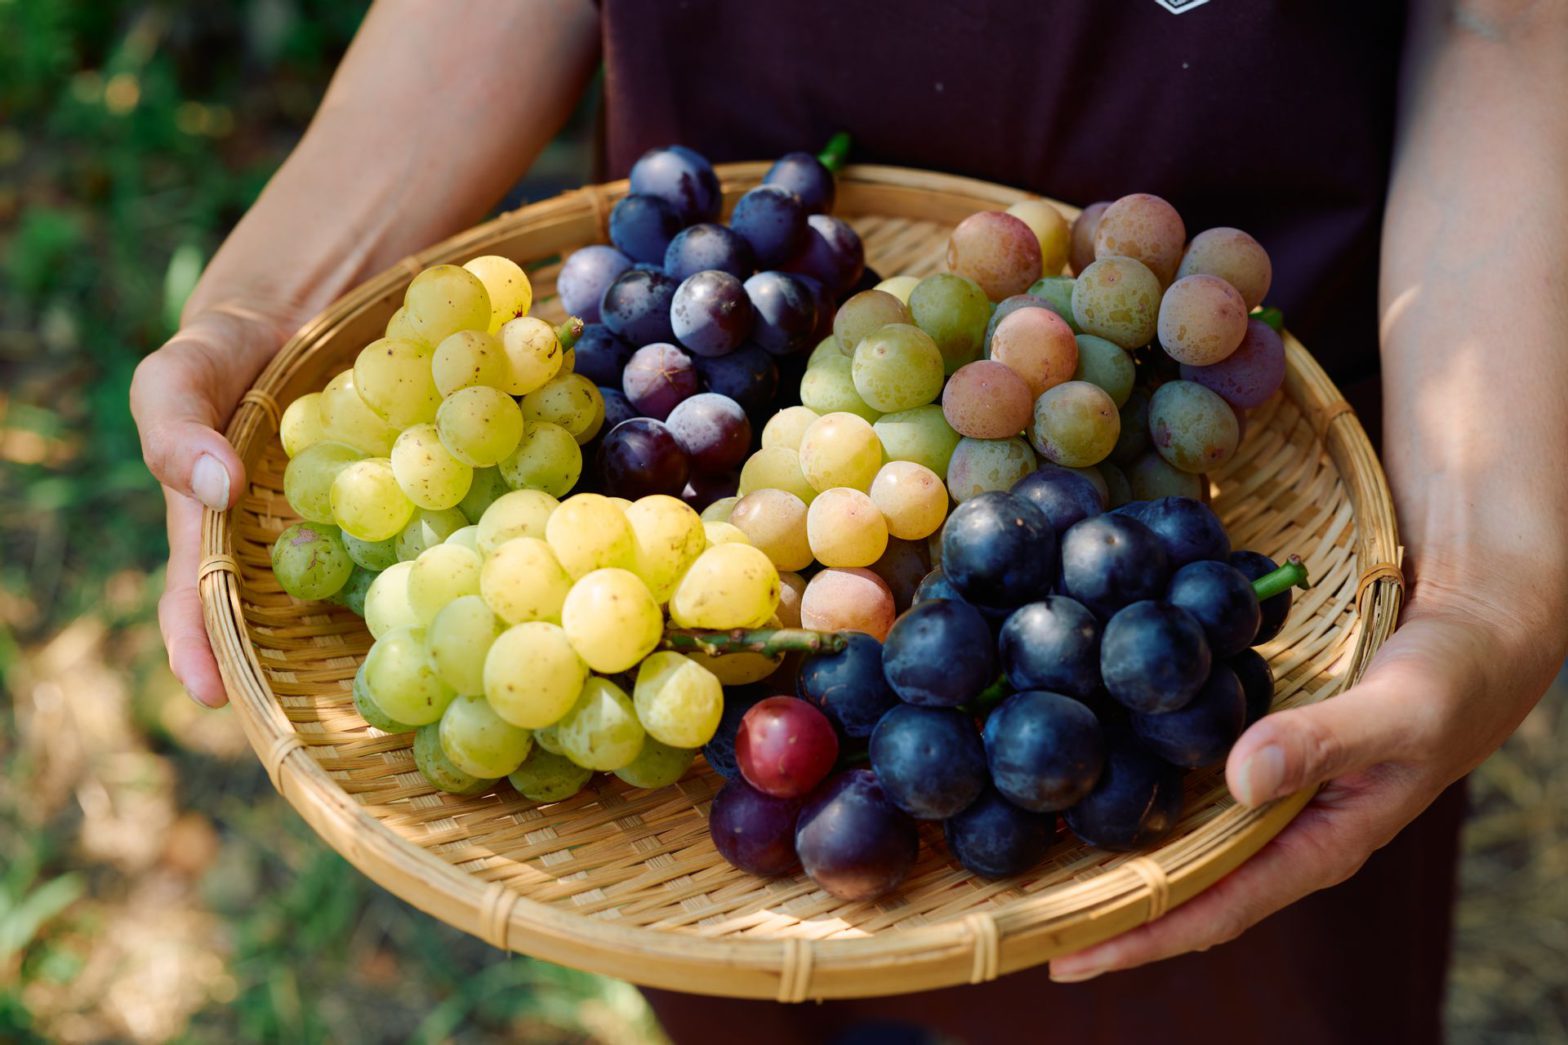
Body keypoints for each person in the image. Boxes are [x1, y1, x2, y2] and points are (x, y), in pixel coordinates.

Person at [129, 1, 1568, 1040]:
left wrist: (1494, 576)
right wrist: (264, 309)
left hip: (1200, 475)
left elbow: (1508, 26)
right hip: (730, 406)